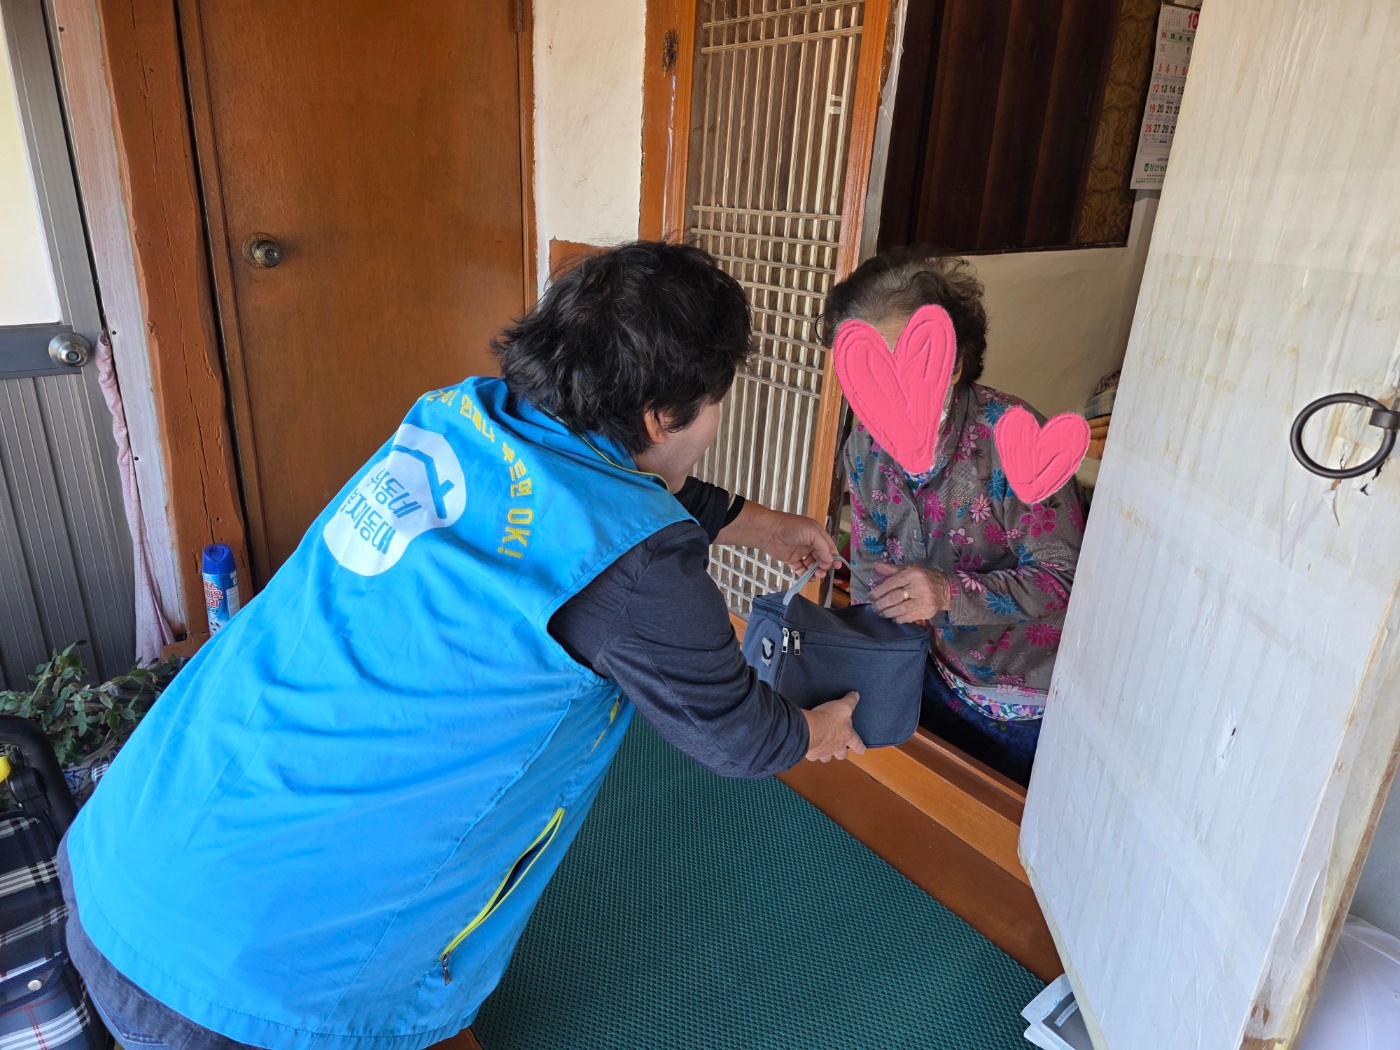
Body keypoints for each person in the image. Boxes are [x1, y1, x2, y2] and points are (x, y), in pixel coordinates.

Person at [59, 242, 864, 1050]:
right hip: (236, 993)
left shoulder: (459, 417)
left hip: (118, 859)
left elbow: (608, 479)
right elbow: (737, 736)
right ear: (661, 416)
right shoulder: (642, 566)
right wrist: (817, 730)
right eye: (715, 402)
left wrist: (765, 526)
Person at [823, 248, 1086, 785]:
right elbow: (870, 569)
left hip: (1025, 702)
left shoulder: (1015, 440)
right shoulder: (864, 447)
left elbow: (1065, 578)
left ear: (955, 364)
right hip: (928, 671)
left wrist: (948, 592)